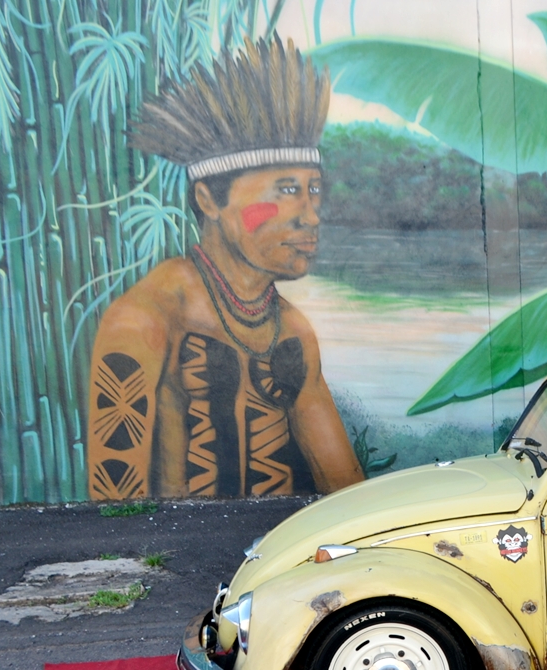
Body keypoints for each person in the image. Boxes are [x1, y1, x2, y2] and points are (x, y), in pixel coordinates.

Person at [87, 36, 363, 499]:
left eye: (313, 191)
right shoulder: (145, 321)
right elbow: (115, 509)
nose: (311, 216)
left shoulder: (293, 333)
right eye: (286, 190)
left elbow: (346, 490)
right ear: (209, 200)